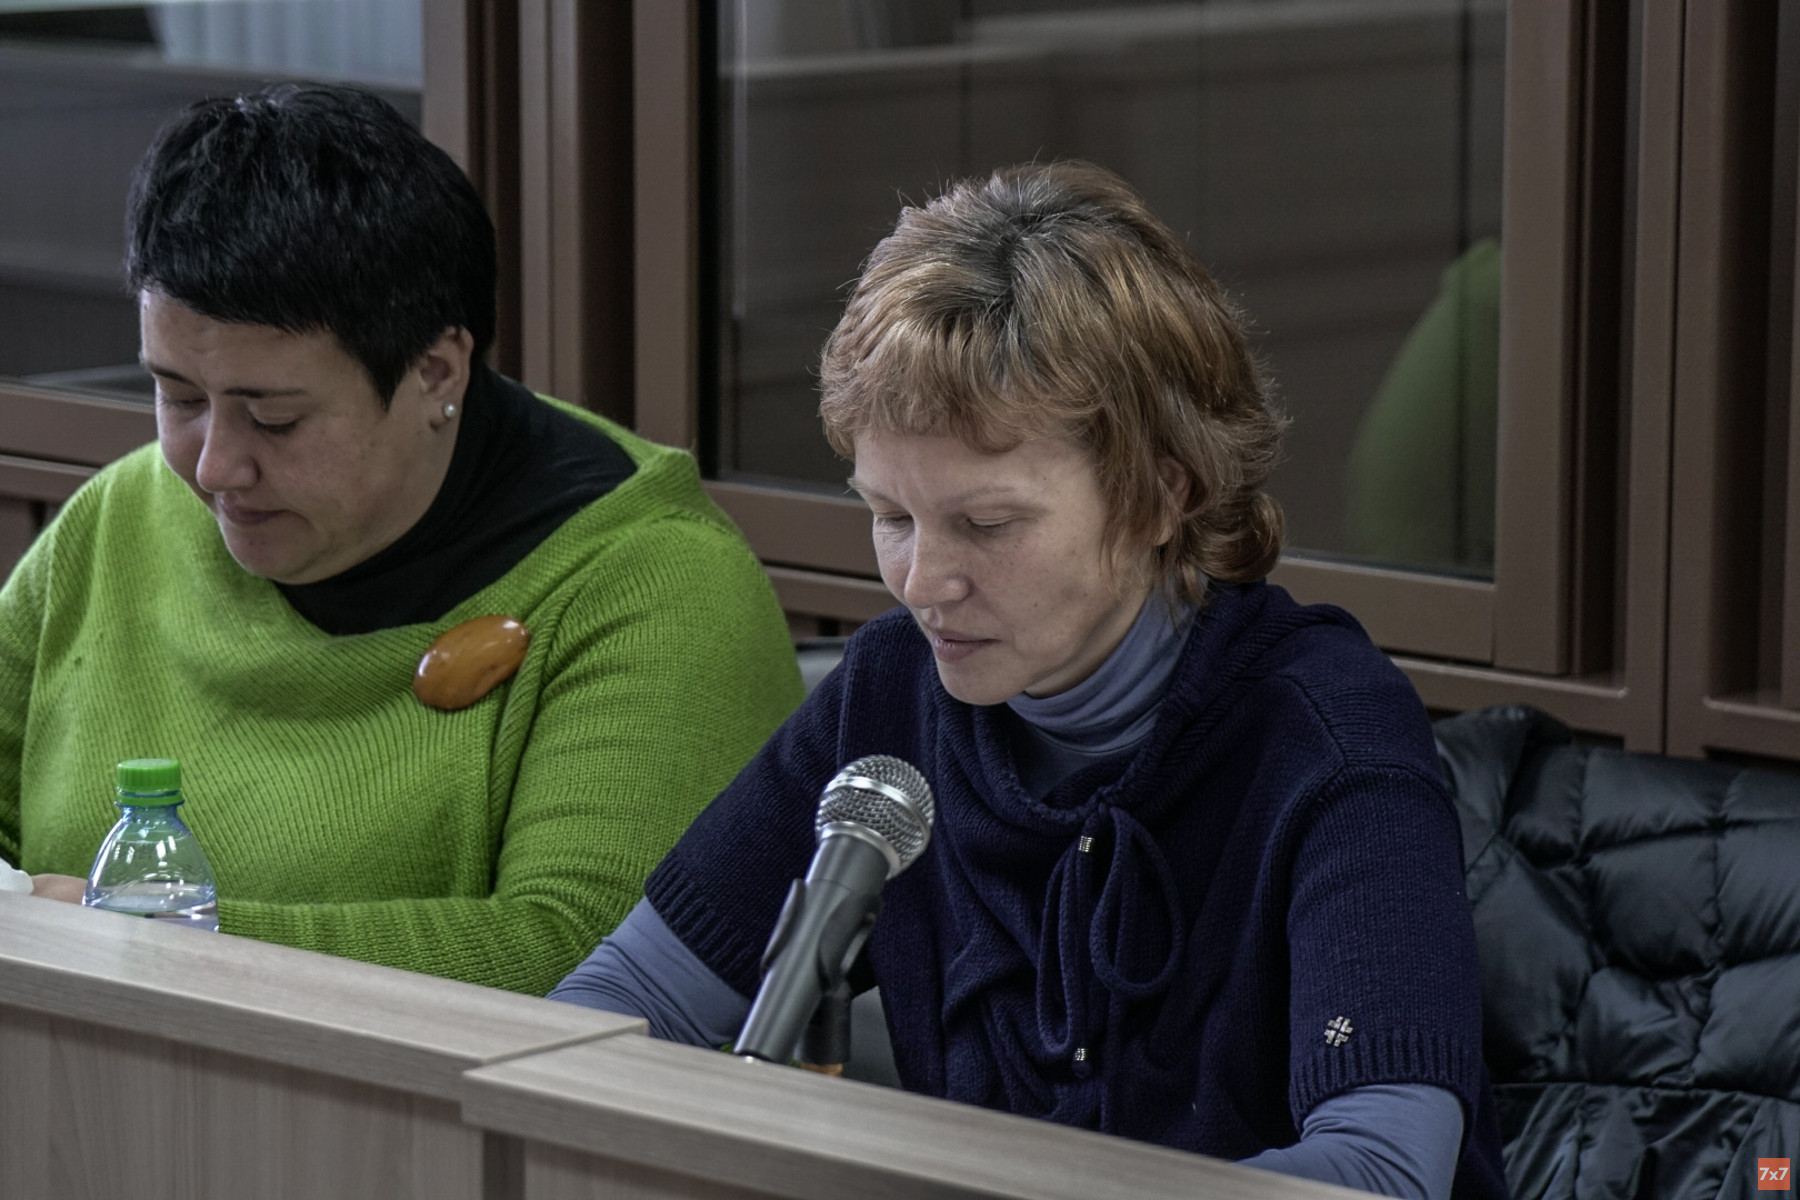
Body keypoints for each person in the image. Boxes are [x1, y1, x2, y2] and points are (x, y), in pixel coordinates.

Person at [552, 163, 1509, 1199]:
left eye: (987, 523)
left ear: (1162, 495)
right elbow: (616, 1006)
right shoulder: (890, 695)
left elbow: (1379, 1171)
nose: (922, 583)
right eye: (890, 516)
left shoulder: (1331, 739)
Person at [0, 84, 802, 995]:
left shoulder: (650, 584)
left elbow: (589, 965)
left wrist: (156, 942)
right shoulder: (123, 517)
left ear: (435, 372)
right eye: (179, 397)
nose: (216, 466)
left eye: (275, 417)